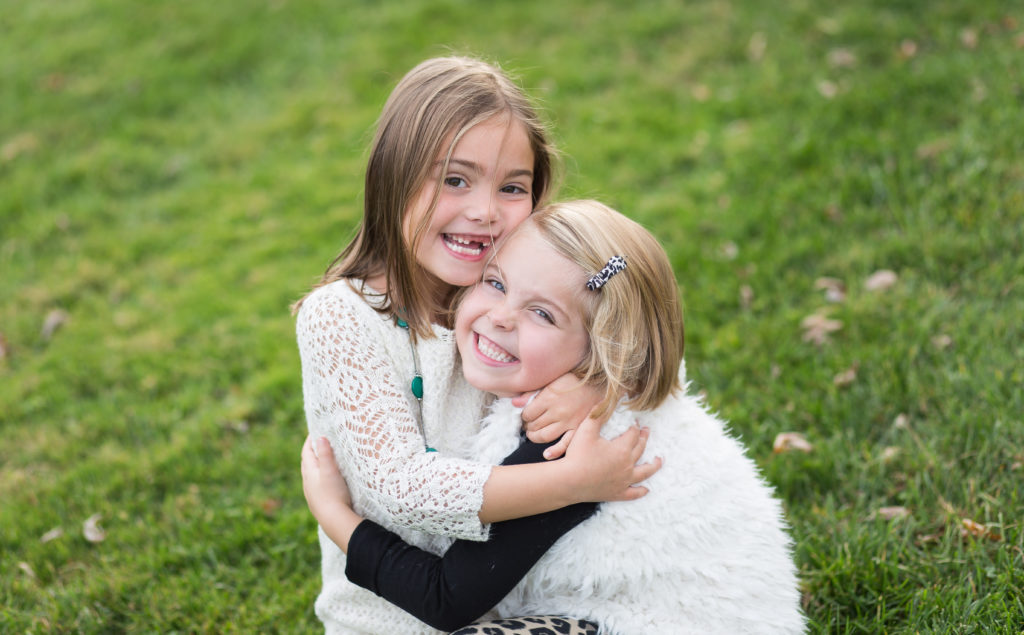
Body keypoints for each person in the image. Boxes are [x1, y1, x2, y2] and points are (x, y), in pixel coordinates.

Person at [302, 200, 806, 634]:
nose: (501, 316)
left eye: (543, 314)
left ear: (604, 348)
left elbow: (445, 601)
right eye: (495, 283)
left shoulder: (571, 445)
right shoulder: (586, 389)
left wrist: (337, 517)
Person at [295, 58, 661, 634]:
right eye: (455, 179)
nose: (486, 211)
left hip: (511, 604)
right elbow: (402, 488)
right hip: (391, 621)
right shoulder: (340, 318)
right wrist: (572, 482)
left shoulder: (504, 295)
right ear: (393, 175)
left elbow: (642, 342)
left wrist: (590, 382)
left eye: (512, 187)